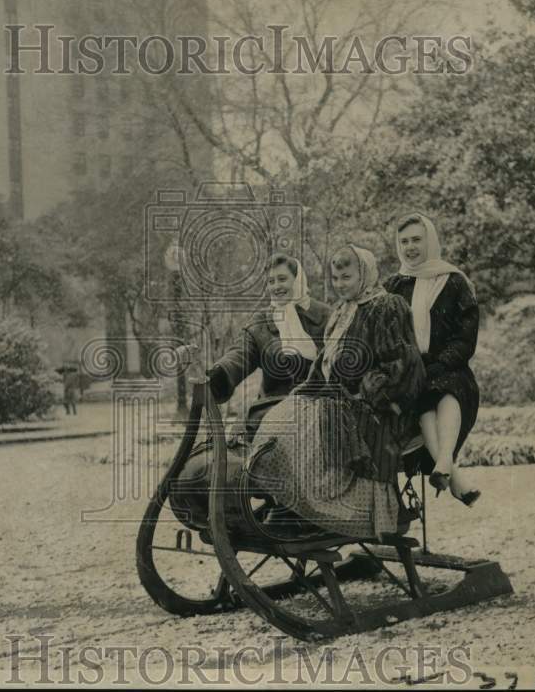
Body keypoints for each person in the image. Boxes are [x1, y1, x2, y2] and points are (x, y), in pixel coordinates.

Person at [247, 244, 426, 540]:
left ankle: (327, 513)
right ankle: (292, 506)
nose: (341, 285)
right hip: (337, 397)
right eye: (336, 278)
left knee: (310, 426)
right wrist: (307, 391)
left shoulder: (386, 306)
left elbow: (403, 366)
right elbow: (324, 362)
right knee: (281, 418)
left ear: (364, 274)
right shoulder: (342, 310)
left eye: (347, 277)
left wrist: (367, 391)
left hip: (377, 406)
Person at [169, 254, 331, 528]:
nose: (276, 286)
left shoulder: (326, 316)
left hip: (319, 409)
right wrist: (214, 375)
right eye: (270, 281)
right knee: (233, 459)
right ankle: (243, 512)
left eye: (282, 279)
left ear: (298, 280)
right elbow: (238, 357)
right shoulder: (261, 324)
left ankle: (296, 510)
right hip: (269, 411)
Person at [384, 213, 481, 506]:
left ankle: (444, 465)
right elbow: (386, 334)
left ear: (430, 240)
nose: (410, 247)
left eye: (416, 239)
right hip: (410, 369)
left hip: (449, 366)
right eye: (404, 242)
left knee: (446, 390)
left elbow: (466, 336)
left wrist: (440, 362)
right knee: (422, 394)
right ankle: (449, 470)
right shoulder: (393, 286)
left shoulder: (453, 281)